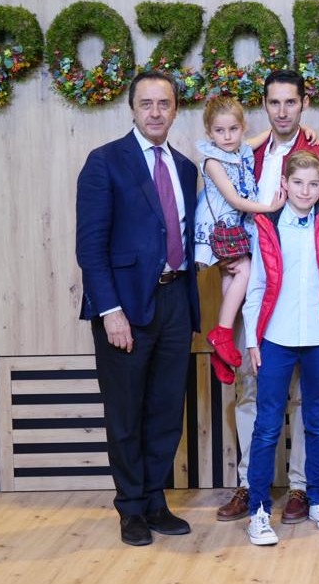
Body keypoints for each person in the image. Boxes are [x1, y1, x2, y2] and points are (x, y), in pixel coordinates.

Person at [217, 69, 319, 525]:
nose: (283, 111)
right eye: (274, 103)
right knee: (252, 393)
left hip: (312, 301)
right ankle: (250, 485)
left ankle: (301, 488)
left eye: (290, 103)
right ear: (265, 105)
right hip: (256, 289)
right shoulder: (250, 152)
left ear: (304, 104)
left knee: (308, 404)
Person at [75, 71, 200, 546]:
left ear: (174, 110)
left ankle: (154, 500)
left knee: (167, 411)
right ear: (132, 108)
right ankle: (129, 508)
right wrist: (109, 310)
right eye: (146, 103)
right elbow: (90, 246)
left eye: (163, 104)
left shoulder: (185, 168)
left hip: (175, 300)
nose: (155, 112)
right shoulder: (105, 162)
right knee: (126, 413)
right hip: (124, 307)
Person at [241, 151, 319, 546]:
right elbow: (255, 287)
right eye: (297, 183)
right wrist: (253, 340)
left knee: (318, 422)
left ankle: (318, 499)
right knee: (268, 425)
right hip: (276, 339)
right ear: (284, 185)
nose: (305, 191)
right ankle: (257, 510)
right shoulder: (266, 226)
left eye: (313, 184)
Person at [193, 96, 285, 383]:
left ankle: (223, 347)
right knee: (243, 269)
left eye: (233, 129)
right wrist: (269, 208)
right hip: (220, 229)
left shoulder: (241, 149)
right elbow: (234, 199)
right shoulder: (212, 161)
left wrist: (307, 130)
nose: (227, 136)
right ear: (209, 132)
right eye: (220, 131)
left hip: (235, 229)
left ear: (242, 127)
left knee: (234, 279)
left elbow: (268, 134)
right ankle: (221, 331)